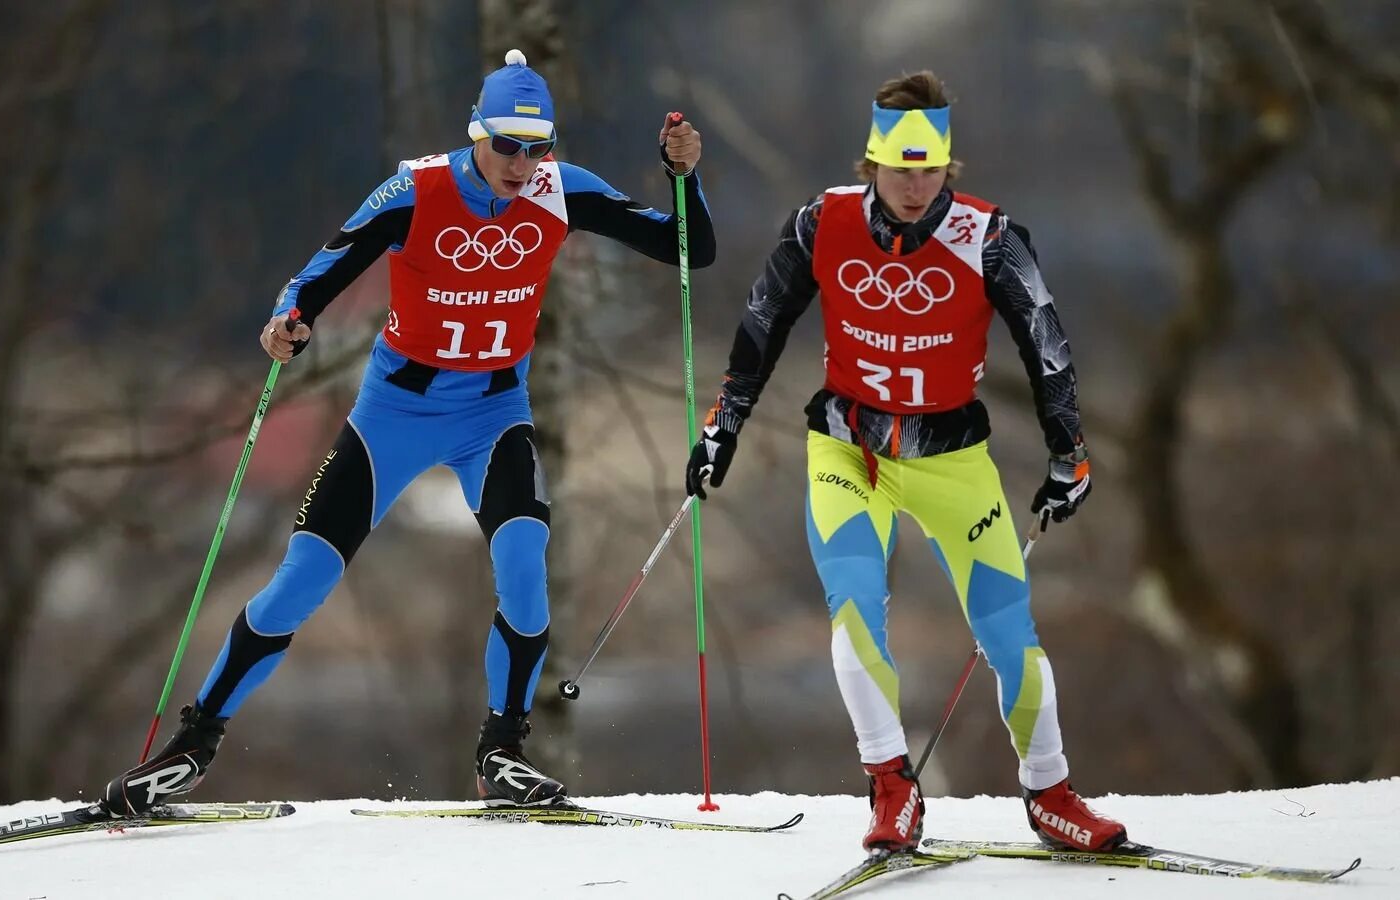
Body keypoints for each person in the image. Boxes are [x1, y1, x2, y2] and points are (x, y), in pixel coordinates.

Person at [103, 49, 713, 816]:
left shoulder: (560, 191)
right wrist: (287, 323)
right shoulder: (417, 188)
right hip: (393, 414)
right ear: (477, 134)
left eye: (538, 148)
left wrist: (684, 178)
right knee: (301, 584)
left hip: (492, 414)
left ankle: (503, 750)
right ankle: (195, 742)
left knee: (525, 563)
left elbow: (689, 247)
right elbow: (321, 271)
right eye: (507, 147)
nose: (523, 165)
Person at [685, 70, 1125, 854]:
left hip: (953, 459)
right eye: (900, 169)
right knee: (854, 612)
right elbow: (762, 323)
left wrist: (1071, 454)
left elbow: (1046, 347)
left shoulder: (990, 236)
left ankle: (1052, 795)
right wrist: (725, 424)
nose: (914, 186)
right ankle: (891, 788)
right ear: (871, 164)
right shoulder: (821, 222)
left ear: (948, 167)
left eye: (930, 171)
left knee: (1010, 638)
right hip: (848, 450)